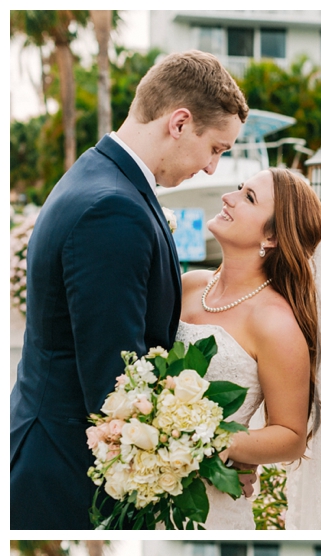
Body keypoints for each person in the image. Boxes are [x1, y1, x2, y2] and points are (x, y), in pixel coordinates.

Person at [10, 51, 248, 530]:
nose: (210, 170)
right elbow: (115, 384)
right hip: (67, 475)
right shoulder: (111, 209)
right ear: (180, 123)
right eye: (216, 149)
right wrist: (210, 453)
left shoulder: (99, 176)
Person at [177, 168, 321, 530]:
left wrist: (217, 443)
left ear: (271, 236)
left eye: (249, 197)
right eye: (239, 188)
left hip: (212, 504)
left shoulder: (275, 323)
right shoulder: (188, 286)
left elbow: (289, 436)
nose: (229, 197)